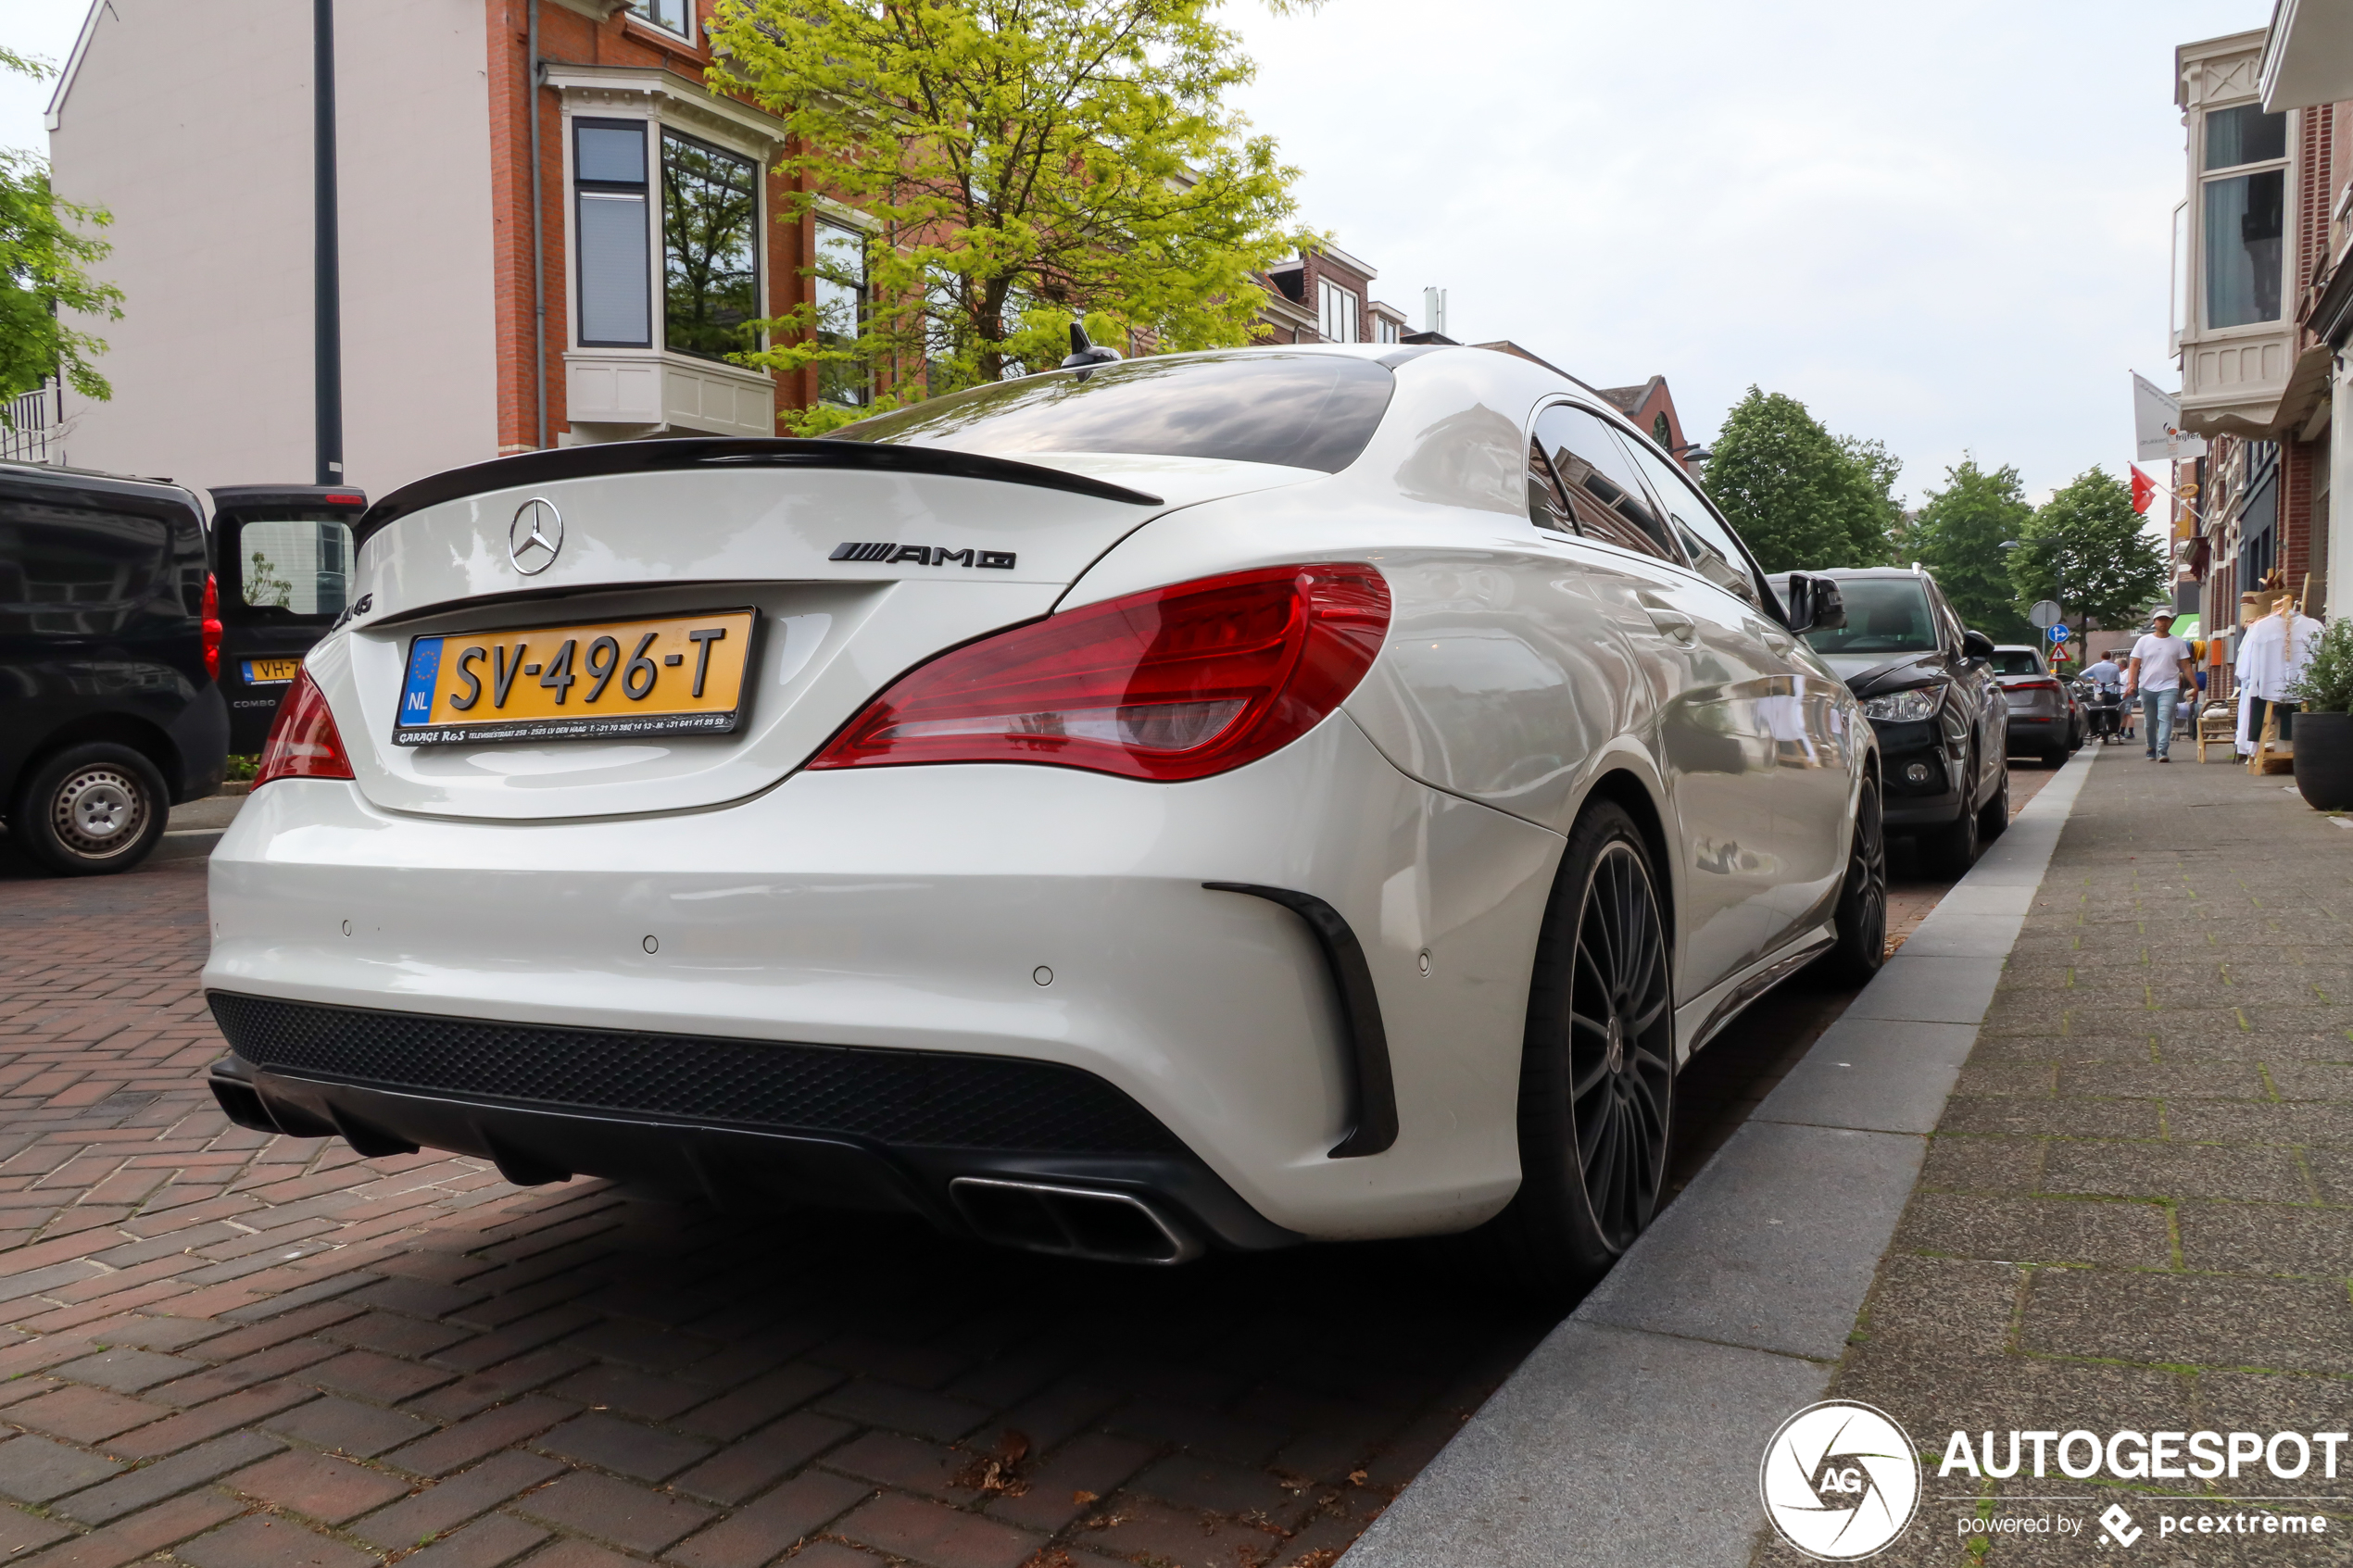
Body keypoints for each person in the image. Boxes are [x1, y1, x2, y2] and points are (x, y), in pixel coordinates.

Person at [2123, 611, 2194, 761]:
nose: (2163, 623)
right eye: (2160, 620)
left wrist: (2195, 685)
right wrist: (2131, 683)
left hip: (2170, 686)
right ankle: (2151, 747)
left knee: (2165, 717)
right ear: (2154, 622)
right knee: (2150, 721)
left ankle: (2162, 750)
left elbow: (2186, 666)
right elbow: (2134, 664)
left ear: (2171, 622)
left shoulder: (2178, 642)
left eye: (2166, 620)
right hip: (2147, 686)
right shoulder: (2143, 641)